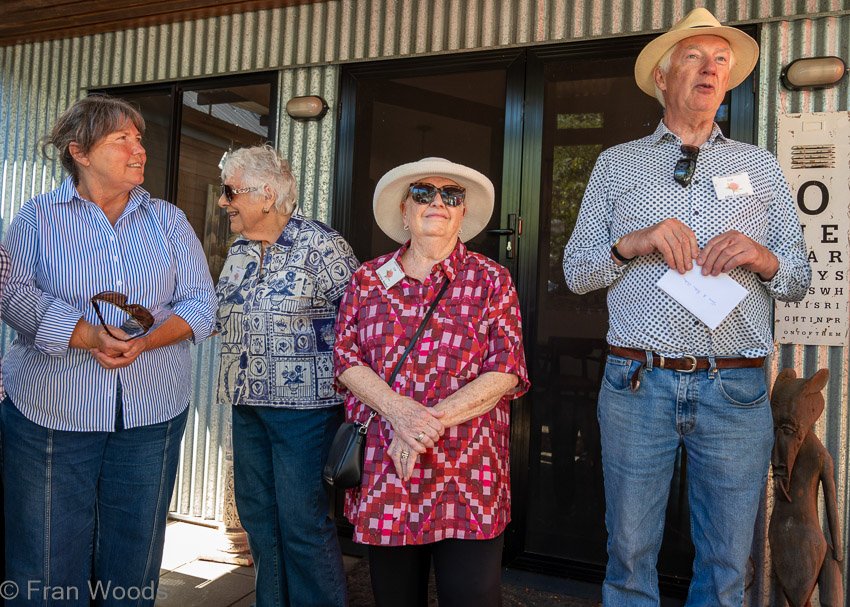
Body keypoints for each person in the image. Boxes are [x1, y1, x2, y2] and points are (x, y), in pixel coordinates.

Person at [562, 8, 810, 606]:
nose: (711, 68)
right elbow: (576, 272)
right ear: (663, 79)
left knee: (728, 567)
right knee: (628, 558)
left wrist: (761, 255)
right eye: (695, 57)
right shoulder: (616, 164)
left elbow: (799, 279)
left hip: (735, 389)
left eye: (720, 60)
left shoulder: (759, 167)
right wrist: (632, 243)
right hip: (636, 381)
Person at [0, 94, 217, 605]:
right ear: (79, 151)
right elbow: (11, 294)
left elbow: (202, 303)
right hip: (50, 413)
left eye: (139, 139)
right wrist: (88, 335)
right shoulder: (36, 218)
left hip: (151, 414)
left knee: (133, 559)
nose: (139, 149)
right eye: (122, 139)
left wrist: (145, 341)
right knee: (46, 559)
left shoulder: (168, 220)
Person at [334, 157, 529, 607]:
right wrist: (398, 412)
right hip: (388, 469)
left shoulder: (491, 280)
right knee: (394, 598)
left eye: (451, 195)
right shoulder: (367, 280)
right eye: (423, 193)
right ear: (405, 211)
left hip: (469, 473)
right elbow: (345, 359)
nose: (437, 202)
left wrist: (420, 425)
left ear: (463, 213)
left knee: (472, 597)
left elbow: (506, 371)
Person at [215, 145, 357, 607]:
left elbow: (358, 326)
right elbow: (216, 312)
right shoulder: (238, 250)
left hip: (306, 412)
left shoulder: (322, 245)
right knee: (259, 518)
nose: (223, 202)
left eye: (230, 191)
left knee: (301, 522)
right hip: (246, 401)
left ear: (267, 194)